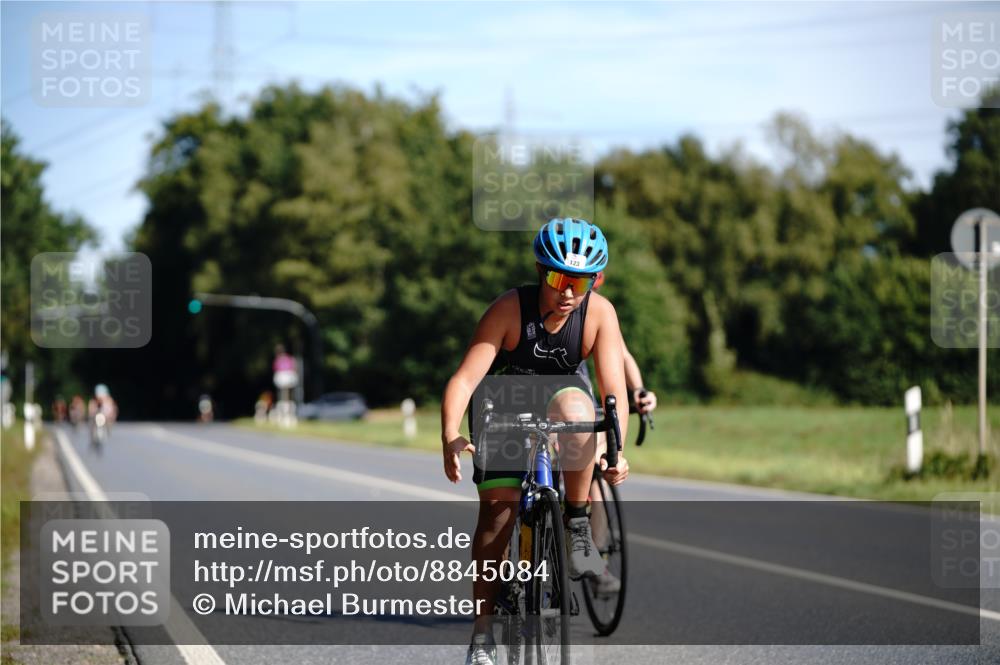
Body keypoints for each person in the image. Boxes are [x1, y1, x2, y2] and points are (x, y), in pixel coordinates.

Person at [441, 218, 630, 665]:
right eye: (557, 278)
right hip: (503, 399)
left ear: (592, 281)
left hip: (561, 392)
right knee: (497, 513)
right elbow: (466, 379)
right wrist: (450, 433)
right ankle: (482, 633)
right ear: (540, 271)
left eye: (580, 281)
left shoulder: (598, 313)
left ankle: (577, 525)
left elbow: (612, 388)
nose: (567, 292)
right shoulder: (510, 308)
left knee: (581, 416)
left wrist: (618, 450)